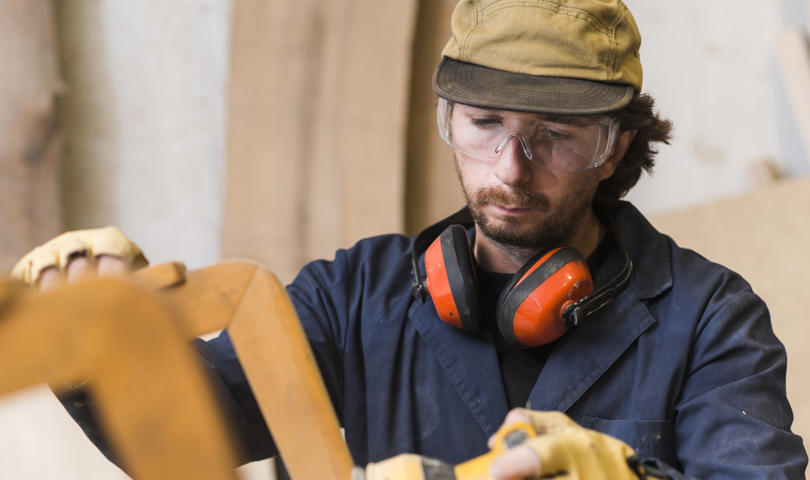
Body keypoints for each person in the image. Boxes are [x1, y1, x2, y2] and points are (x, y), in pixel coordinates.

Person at [12, 0, 808, 478]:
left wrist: (624, 475)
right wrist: (95, 341)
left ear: (618, 147)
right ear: (448, 121)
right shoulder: (357, 295)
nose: (510, 169)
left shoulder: (709, 319)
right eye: (483, 126)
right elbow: (189, 430)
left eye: (555, 137)